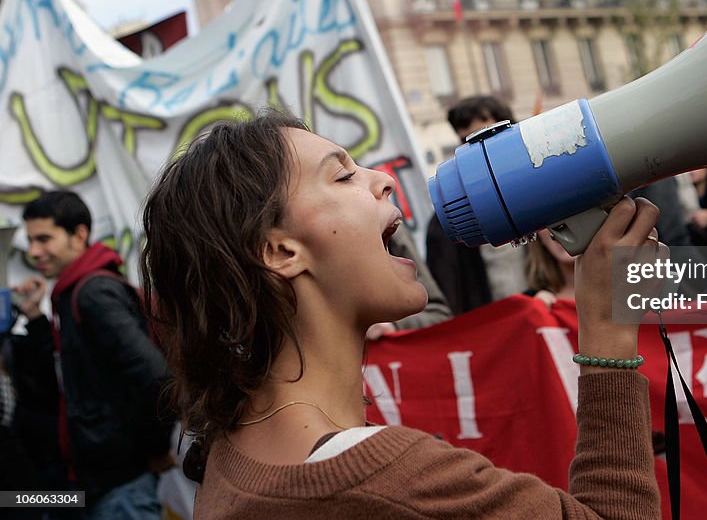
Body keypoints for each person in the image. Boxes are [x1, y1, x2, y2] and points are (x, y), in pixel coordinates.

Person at [140, 110, 661, 518]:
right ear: (279, 252)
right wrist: (609, 332)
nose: (384, 179)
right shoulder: (389, 482)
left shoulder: (233, 456)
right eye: (343, 177)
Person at [12, 191, 173, 519]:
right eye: (30, 241)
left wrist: (155, 450)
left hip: (120, 487)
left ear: (79, 234)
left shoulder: (93, 293)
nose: (33, 252)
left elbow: (156, 377)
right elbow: (75, 379)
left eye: (44, 239)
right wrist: (36, 321)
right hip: (90, 487)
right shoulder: (72, 292)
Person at [426, 95, 529, 314]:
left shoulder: (550, 196)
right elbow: (445, 299)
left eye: (489, 137)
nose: (480, 151)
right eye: (468, 142)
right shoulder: (448, 223)